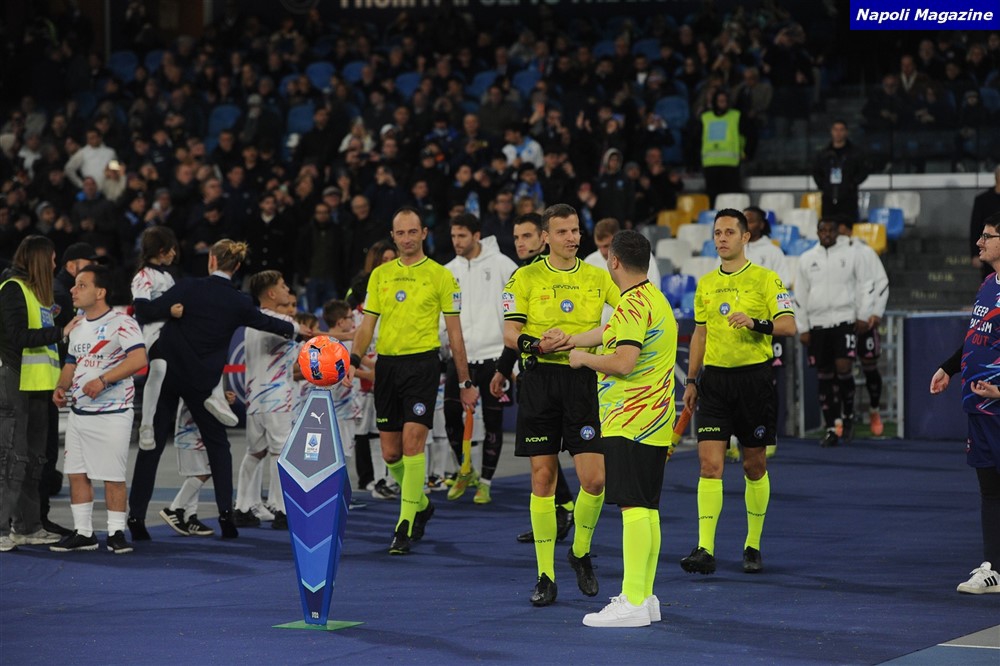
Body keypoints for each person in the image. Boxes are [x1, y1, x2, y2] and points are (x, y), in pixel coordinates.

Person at [127, 240, 308, 541]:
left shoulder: (188, 286)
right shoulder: (239, 301)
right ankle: (226, 518)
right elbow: (266, 322)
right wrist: (298, 331)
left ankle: (136, 519)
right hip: (202, 381)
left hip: (170, 371)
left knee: (152, 447)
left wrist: (171, 310)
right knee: (219, 447)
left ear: (211, 260)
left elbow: (149, 312)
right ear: (236, 267)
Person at [502, 203, 621, 606]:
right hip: (539, 381)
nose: (572, 238)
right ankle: (545, 575)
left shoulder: (598, 276)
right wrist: (538, 344)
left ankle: (580, 552)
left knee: (596, 480)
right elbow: (510, 332)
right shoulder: (524, 277)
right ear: (546, 237)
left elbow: (627, 314)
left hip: (582, 379)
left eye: (575, 231)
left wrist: (588, 339)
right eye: (563, 232)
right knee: (542, 479)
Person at [347, 206, 478, 555]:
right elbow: (366, 327)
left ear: (424, 234)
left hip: (422, 366)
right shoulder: (380, 276)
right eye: (400, 233)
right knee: (391, 454)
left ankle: (403, 526)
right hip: (387, 367)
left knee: (412, 445)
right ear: (393, 236)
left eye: (412, 232)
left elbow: (455, 335)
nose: (406, 238)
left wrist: (464, 382)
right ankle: (421, 503)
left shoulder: (441, 276)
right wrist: (353, 360)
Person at [565, 230, 677, 628]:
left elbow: (624, 362)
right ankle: (645, 597)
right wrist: (571, 340)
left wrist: (583, 358)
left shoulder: (630, 304)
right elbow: (611, 333)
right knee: (646, 508)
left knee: (632, 507)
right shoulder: (654, 298)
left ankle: (632, 599)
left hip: (630, 419)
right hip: (656, 419)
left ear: (613, 261)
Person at [680, 209, 795, 576]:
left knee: (753, 465)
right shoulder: (705, 284)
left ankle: (752, 544)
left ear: (746, 237)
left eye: (730, 232)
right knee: (709, 465)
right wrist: (692, 381)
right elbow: (700, 335)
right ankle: (705, 548)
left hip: (754, 381)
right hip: (714, 383)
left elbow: (789, 325)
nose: (722, 238)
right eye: (717, 233)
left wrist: (755, 322)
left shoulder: (766, 279)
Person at [490, 212, 576, 544]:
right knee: (542, 450)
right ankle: (560, 509)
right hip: (534, 372)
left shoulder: (557, 272)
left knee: (566, 454)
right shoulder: (522, 275)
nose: (520, 243)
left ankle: (568, 512)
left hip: (565, 373)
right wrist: (503, 368)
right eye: (516, 237)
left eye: (527, 236)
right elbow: (517, 330)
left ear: (543, 237)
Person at [50, 264, 147, 553]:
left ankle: (116, 532)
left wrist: (104, 380)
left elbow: (139, 358)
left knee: (113, 475)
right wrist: (61, 386)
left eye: (81, 285)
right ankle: (84, 533)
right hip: (80, 413)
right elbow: (71, 361)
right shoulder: (77, 324)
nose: (73, 290)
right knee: (76, 473)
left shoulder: (122, 322)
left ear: (100, 292)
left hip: (113, 412)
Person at [929, 212, 1000, 594]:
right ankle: (995, 568)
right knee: (989, 488)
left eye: (987, 236)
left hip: (998, 405)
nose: (979, 242)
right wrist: (949, 367)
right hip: (979, 406)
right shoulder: (988, 284)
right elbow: (976, 337)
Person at [0, 236, 82, 552]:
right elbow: (17, 336)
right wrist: (60, 331)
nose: (54, 264)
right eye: (51, 258)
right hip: (14, 381)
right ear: (38, 259)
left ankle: (27, 527)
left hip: (38, 385)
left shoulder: (37, 293)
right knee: (11, 457)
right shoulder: (12, 289)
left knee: (34, 459)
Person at [442, 213, 517, 504]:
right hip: (460, 358)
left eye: (462, 236)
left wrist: (512, 361)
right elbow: (441, 317)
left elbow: (518, 311)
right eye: (453, 236)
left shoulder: (502, 265)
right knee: (451, 417)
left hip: (494, 357)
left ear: (476, 235)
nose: (456, 242)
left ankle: (485, 482)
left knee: (494, 422)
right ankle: (467, 470)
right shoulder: (447, 271)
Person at [793, 217, 869, 447]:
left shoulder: (851, 254)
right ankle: (831, 427)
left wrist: (863, 314)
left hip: (844, 320)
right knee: (824, 374)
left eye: (830, 230)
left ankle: (848, 415)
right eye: (822, 230)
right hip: (818, 325)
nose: (826, 233)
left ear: (837, 232)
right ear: (817, 233)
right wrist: (803, 327)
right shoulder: (806, 259)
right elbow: (800, 294)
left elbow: (864, 285)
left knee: (844, 368)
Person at [233, 270, 299, 530]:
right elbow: (301, 352)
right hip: (277, 398)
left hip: (254, 399)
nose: (287, 289)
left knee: (255, 452)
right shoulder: (283, 322)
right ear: (271, 293)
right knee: (282, 454)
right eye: (283, 286)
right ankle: (282, 510)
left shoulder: (251, 325)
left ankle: (242, 508)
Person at [837, 217, 889, 436]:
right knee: (842, 369)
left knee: (869, 366)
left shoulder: (866, 252)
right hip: (842, 321)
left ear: (849, 229)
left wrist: (875, 312)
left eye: (841, 229)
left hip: (865, 320)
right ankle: (844, 416)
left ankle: (874, 410)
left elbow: (881, 282)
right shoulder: (829, 255)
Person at [130, 227, 180, 450]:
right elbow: (142, 312)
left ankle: (216, 398)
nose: (174, 254)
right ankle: (147, 425)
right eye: (171, 249)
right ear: (161, 251)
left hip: (175, 333)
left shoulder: (168, 277)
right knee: (159, 368)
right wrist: (169, 310)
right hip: (154, 334)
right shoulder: (143, 277)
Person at [811, 120, 870, 222]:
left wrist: (852, 184)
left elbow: (863, 171)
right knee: (828, 226)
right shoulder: (823, 154)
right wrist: (823, 185)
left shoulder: (855, 153)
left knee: (846, 227)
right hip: (828, 198)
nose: (838, 133)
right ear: (831, 131)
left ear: (846, 132)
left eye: (841, 130)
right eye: (835, 130)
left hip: (848, 198)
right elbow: (816, 171)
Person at [699, 90, 749, 206]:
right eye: (720, 101)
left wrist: (744, 152)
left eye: (725, 101)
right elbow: (697, 139)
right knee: (713, 198)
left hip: (730, 164)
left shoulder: (736, 116)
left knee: (731, 197)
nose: (723, 103)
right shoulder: (705, 117)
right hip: (710, 164)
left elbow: (746, 136)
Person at [970, 166, 1000, 280]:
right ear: (996, 178)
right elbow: (975, 227)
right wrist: (975, 254)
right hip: (989, 251)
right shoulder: (982, 200)